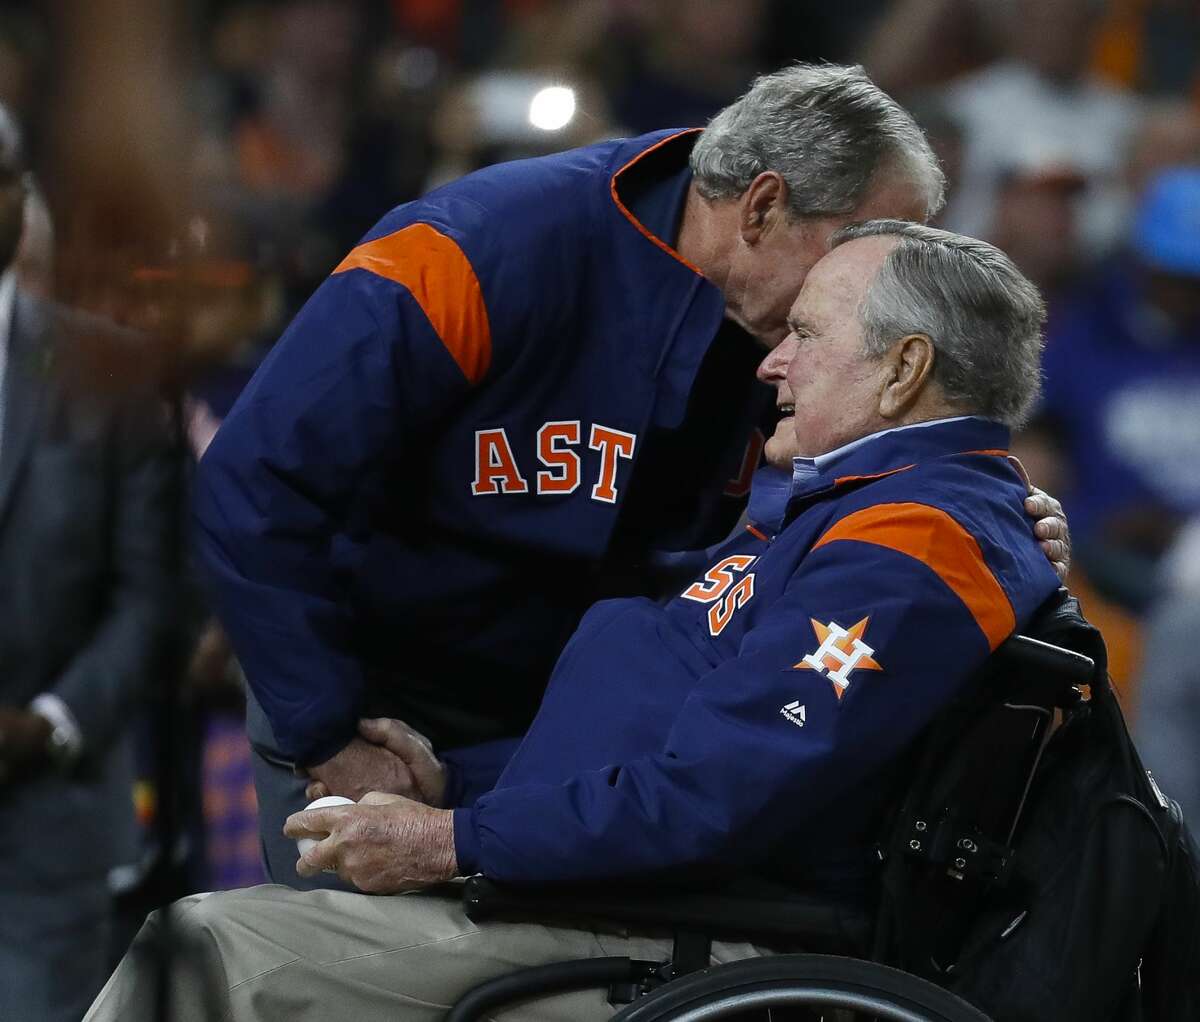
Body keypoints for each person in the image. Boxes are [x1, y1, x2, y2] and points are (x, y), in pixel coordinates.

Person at [92, 220, 1061, 1021]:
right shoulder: (868, 508)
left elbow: (715, 794)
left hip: (682, 927)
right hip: (617, 890)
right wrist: (456, 778)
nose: (773, 361)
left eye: (807, 332)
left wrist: (451, 835)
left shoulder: (916, 540)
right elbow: (678, 737)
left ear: (904, 370)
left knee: (213, 950)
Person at [193, 63, 1069, 888]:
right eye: (862, 239)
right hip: (371, 698)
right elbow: (253, 478)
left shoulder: (798, 346)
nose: (873, 272)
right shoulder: (483, 246)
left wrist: (1004, 525)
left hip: (583, 747)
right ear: (762, 207)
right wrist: (329, 734)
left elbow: (856, 524)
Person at [0, 106, 179, 1022]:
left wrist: (50, 722)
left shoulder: (108, 367)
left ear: (16, 199)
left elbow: (153, 592)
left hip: (50, 812)